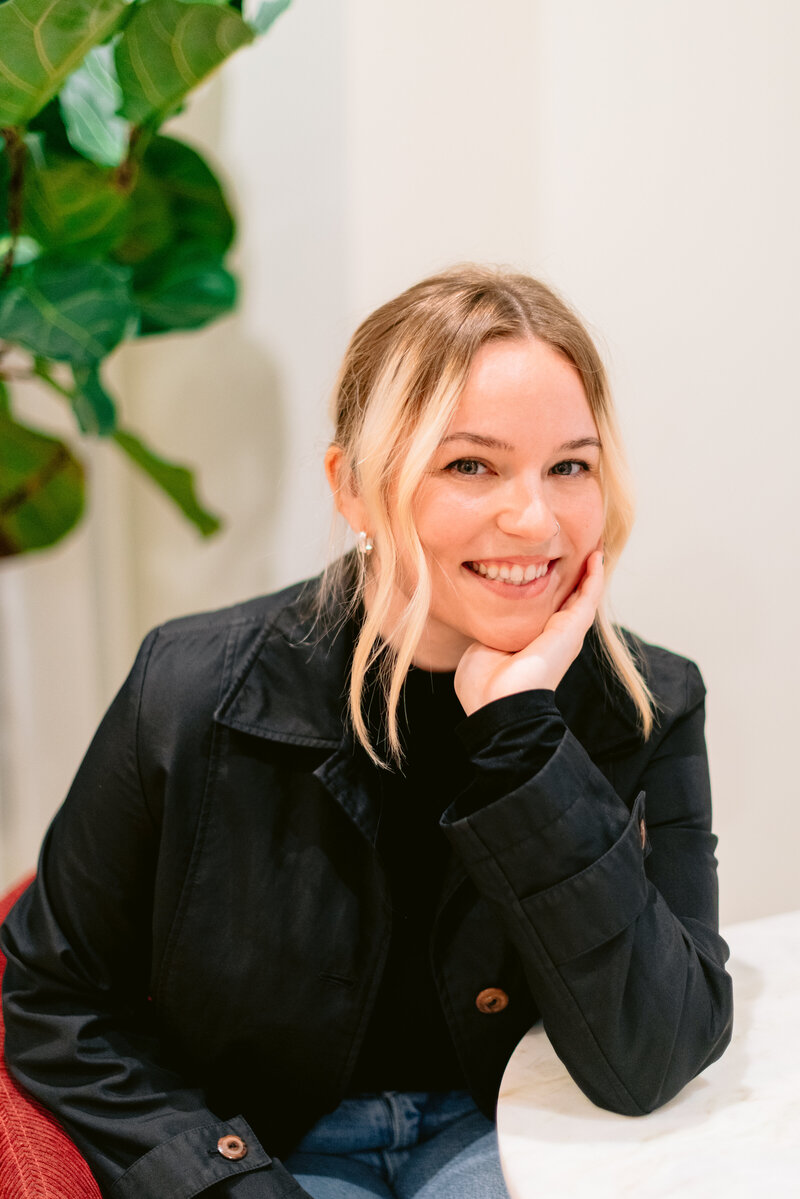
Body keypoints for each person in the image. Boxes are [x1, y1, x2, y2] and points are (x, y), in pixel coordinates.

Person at [1, 266, 733, 1199]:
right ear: (352, 487)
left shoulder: (648, 704)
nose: (535, 517)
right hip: (265, 1141)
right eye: (471, 463)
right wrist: (221, 1179)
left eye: (570, 465)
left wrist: (525, 740)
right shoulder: (190, 690)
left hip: (511, 1122)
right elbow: (56, 1000)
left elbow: (657, 1051)